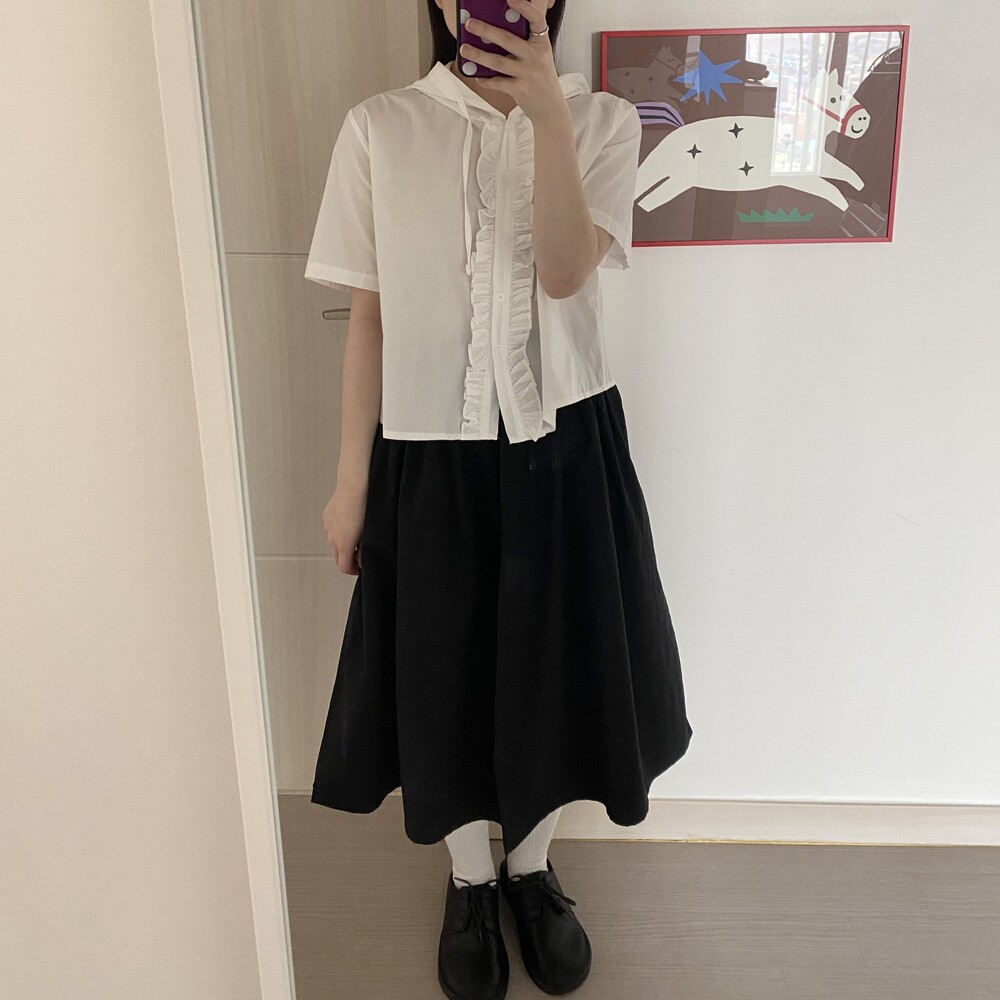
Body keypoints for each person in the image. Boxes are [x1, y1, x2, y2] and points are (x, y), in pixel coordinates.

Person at [304, 2, 694, 997]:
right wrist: (351, 483)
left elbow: (564, 274)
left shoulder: (603, 122)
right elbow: (367, 320)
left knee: (553, 671)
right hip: (426, 452)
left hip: (565, 448)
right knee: (444, 674)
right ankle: (470, 880)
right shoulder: (380, 127)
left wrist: (548, 120)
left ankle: (530, 868)